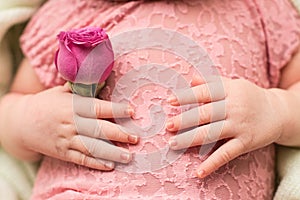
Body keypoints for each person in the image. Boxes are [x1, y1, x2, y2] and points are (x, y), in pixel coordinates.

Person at [1, 0, 300, 199]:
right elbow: (10, 108)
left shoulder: (260, 7)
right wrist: (31, 118)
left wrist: (275, 109)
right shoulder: (67, 8)